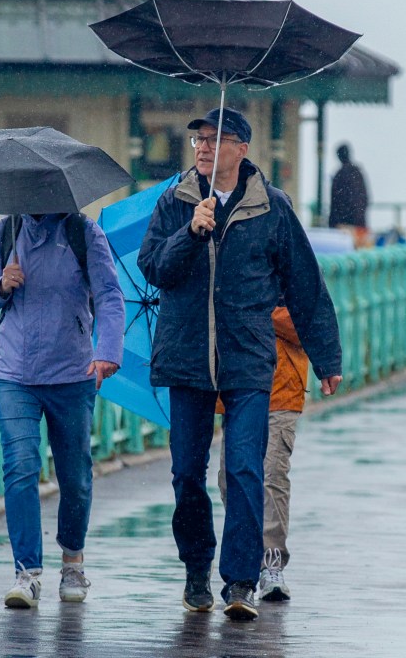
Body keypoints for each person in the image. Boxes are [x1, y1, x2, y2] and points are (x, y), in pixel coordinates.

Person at [137, 107, 342, 621]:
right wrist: (190, 231)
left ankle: (241, 581)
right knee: (187, 473)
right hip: (186, 357)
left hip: (249, 358)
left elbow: (305, 285)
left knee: (245, 468)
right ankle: (196, 569)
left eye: (215, 139)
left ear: (241, 149)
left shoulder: (271, 209)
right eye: (198, 141)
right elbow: (153, 267)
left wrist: (326, 356)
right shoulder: (176, 200)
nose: (204, 148)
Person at [0, 212, 125, 609]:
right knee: (21, 466)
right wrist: (2, 286)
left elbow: (109, 295)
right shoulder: (5, 232)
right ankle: (26, 573)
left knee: (75, 477)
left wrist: (107, 351)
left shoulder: (83, 232)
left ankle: (72, 561)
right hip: (13, 373)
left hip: (72, 372)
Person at [218, 304, 309, 603]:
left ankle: (271, 563)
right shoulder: (228, 263)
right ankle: (245, 559)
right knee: (231, 480)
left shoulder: (291, 261)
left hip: (280, 389)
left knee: (272, 476)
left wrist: (255, 307)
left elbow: (305, 321)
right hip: (236, 386)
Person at [328, 143, 370, 242]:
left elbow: (335, 203)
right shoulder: (357, 173)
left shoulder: (339, 175)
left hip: (343, 226)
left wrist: (334, 223)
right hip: (359, 224)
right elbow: (364, 199)